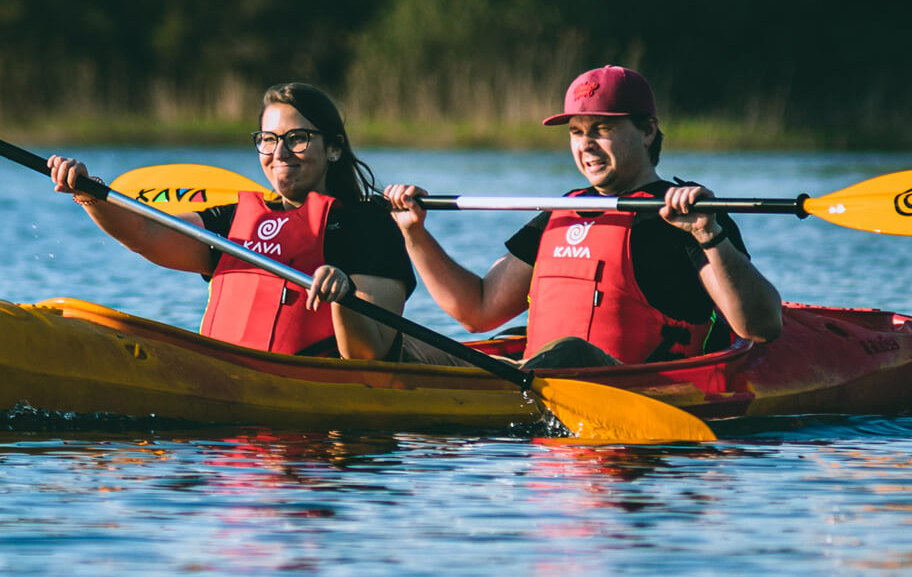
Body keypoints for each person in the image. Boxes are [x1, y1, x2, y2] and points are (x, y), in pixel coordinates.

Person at [384, 65, 784, 368]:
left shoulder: (688, 214)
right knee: (398, 345)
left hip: (627, 387)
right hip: (536, 383)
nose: (586, 145)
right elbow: (478, 310)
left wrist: (708, 234)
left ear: (647, 131)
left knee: (569, 351)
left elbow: (760, 327)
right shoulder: (560, 211)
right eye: (576, 131)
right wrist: (414, 233)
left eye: (602, 128)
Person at [49, 82, 416, 360]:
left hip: (312, 411)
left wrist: (345, 296)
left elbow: (369, 355)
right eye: (268, 140)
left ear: (334, 148)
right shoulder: (235, 217)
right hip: (223, 381)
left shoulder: (368, 225)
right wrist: (89, 193)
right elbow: (146, 232)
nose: (280, 153)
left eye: (297, 139)